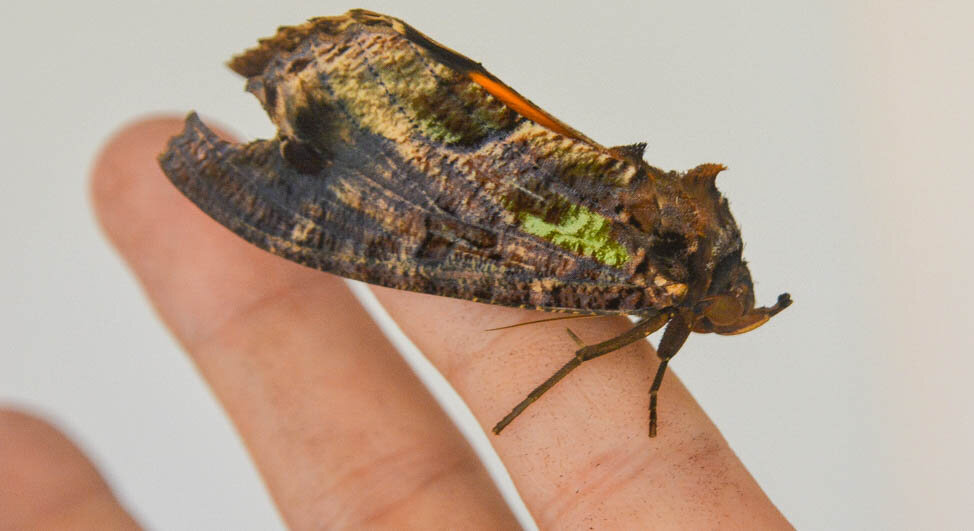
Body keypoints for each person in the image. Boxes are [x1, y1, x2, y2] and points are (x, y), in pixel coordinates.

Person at [0, 118, 790, 529]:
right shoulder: (658, 277)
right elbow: (629, 340)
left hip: (530, 204)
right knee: (404, 226)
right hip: (526, 216)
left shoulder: (673, 273)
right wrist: (648, 384)